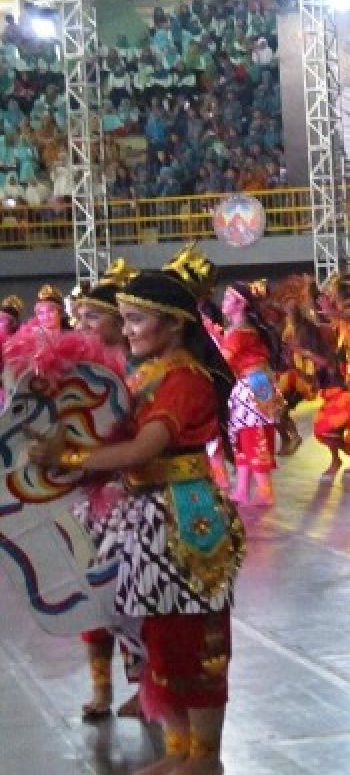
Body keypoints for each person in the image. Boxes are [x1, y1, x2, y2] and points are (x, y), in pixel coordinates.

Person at [29, 269, 244, 774]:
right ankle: (179, 749)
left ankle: (205, 757)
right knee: (161, 638)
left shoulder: (187, 379)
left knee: (195, 638)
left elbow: (145, 448)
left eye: (135, 320)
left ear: (172, 325)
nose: (126, 331)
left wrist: (73, 457)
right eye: (123, 320)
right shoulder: (145, 374)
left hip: (184, 517)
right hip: (146, 514)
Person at [70, 260, 144, 723]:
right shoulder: (75, 372)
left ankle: (144, 687)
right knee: (91, 592)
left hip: (133, 494)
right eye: (78, 317)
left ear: (119, 321)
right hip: (85, 495)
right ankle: (100, 687)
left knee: (135, 594)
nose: (81, 325)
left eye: (92, 316)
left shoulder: (143, 369)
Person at [218, 281, 285, 508]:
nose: (223, 302)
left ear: (241, 304)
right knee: (243, 437)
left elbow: (223, 361)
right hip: (251, 384)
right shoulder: (238, 331)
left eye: (228, 298)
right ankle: (242, 489)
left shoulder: (240, 333)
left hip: (253, 386)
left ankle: (264, 490)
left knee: (252, 435)